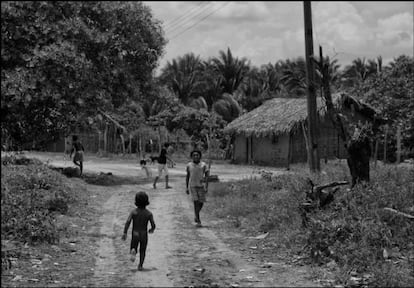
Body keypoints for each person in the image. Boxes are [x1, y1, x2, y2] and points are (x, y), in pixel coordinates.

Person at [121, 191, 156, 271]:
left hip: (135, 233)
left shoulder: (133, 212)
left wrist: (125, 232)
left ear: (136, 201)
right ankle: (140, 265)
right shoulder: (148, 214)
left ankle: (133, 250)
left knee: (134, 245)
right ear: (147, 202)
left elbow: (128, 222)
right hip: (143, 234)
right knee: (143, 250)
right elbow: (153, 224)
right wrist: (151, 229)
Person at [186, 149, 209, 227]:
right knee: (196, 202)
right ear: (192, 157)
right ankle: (198, 219)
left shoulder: (203, 165)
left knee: (201, 202)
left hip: (201, 186)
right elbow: (188, 176)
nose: (196, 156)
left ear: (200, 156)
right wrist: (186, 187)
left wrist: (206, 186)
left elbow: (207, 176)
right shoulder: (189, 165)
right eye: (194, 155)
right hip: (193, 186)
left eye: (197, 155)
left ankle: (196, 214)